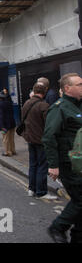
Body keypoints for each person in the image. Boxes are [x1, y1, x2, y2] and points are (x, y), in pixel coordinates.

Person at [43, 73, 82, 243]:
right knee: (81, 199)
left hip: (79, 162)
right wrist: (53, 165)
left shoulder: (77, 106)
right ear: (68, 88)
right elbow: (49, 137)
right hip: (69, 163)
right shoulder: (59, 108)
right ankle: (57, 227)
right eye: (79, 84)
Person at [21, 83, 57, 200]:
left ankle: (31, 189)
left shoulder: (26, 103)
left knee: (33, 164)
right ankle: (41, 192)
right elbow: (49, 125)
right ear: (44, 92)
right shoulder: (44, 106)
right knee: (42, 166)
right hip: (41, 140)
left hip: (30, 139)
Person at [0, 91, 17, 157]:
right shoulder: (9, 103)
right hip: (11, 122)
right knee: (11, 138)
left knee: (5, 139)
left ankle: (7, 152)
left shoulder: (0, 105)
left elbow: (0, 116)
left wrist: (2, 126)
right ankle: (13, 150)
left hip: (5, 124)